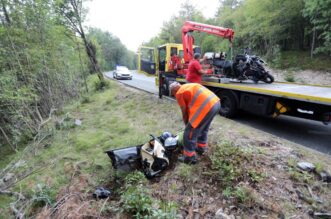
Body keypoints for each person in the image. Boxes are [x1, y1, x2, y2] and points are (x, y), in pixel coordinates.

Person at [169, 82, 221, 164]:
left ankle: (189, 158)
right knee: (204, 128)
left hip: (206, 107)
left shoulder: (179, 93)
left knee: (188, 134)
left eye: (173, 94)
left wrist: (187, 126)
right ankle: (200, 148)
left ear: (174, 90)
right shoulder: (188, 86)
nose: (174, 96)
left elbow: (184, 111)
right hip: (216, 103)